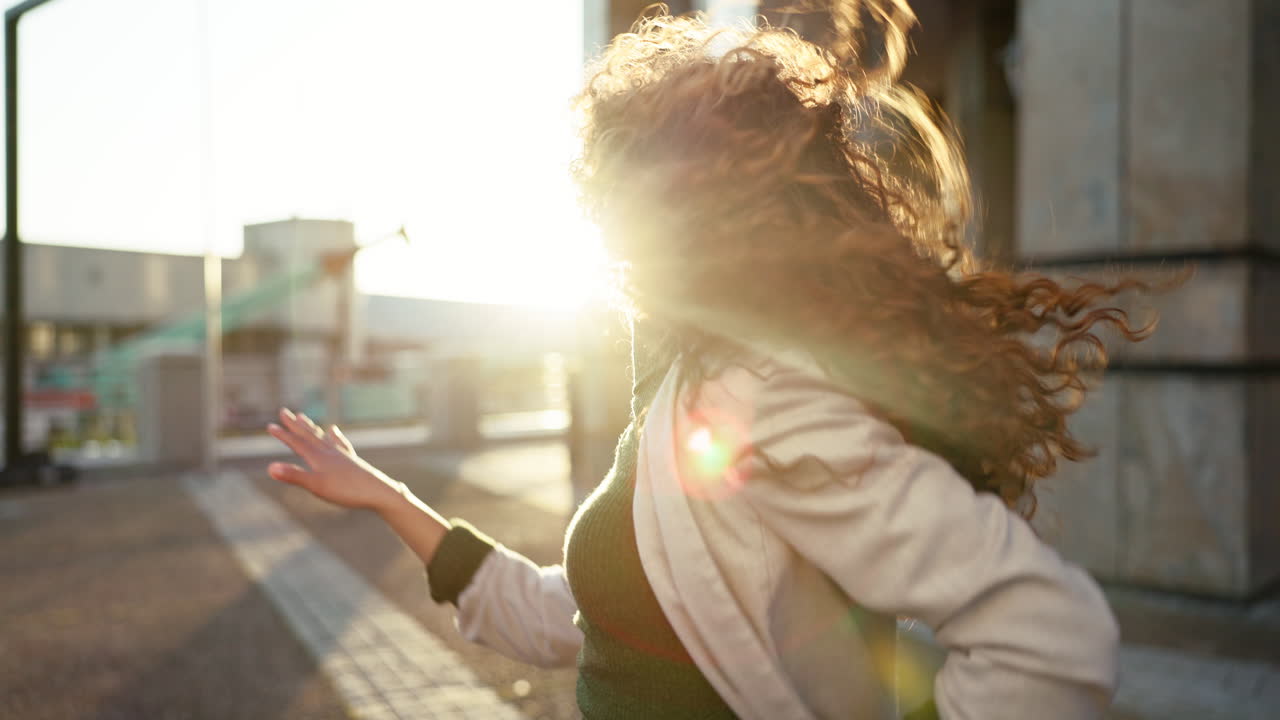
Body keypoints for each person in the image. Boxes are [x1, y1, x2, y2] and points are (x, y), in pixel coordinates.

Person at [266, 3, 1157, 718]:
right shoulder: (678, 386)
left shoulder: (759, 398)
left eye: (618, 193)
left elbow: (1051, 641)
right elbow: (580, 615)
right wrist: (389, 498)